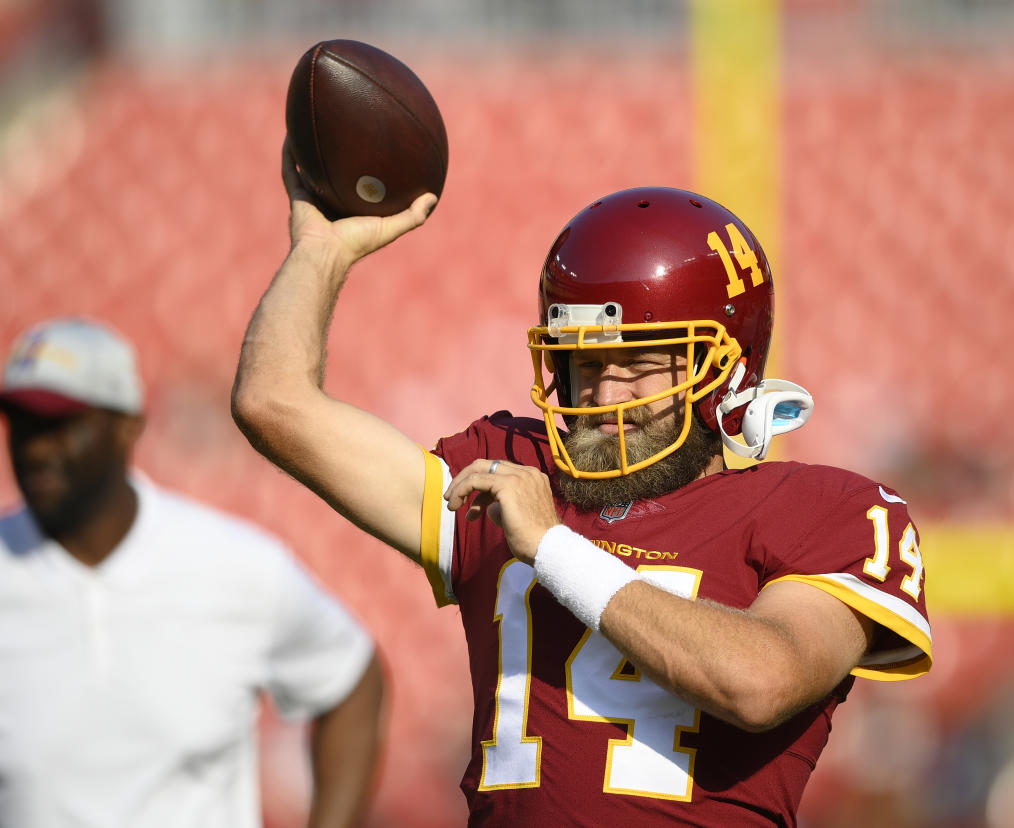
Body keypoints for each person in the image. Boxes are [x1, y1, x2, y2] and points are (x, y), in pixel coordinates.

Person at [230, 142, 932, 826]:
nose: (601, 392)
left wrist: (555, 550)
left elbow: (759, 682)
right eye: (580, 362)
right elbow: (274, 404)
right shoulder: (511, 469)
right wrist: (319, 252)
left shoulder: (822, 511)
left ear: (727, 371)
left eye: (637, 362)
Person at [0, 316, 385, 828]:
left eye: (61, 425)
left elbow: (352, 677)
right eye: (20, 425)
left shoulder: (232, 566)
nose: (35, 448)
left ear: (127, 426)